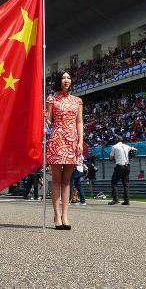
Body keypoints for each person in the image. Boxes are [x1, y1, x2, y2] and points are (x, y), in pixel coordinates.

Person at [46, 70, 84, 230]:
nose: (66, 80)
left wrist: (80, 141)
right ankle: (56, 215)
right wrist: (43, 116)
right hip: (57, 139)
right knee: (56, 179)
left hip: (72, 141)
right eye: (63, 77)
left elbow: (80, 122)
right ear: (59, 80)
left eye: (68, 77)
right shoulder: (52, 98)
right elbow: (48, 121)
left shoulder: (77, 101)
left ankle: (65, 215)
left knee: (67, 180)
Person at [108, 136, 137, 205]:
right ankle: (126, 201)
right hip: (127, 166)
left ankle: (115, 200)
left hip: (119, 167)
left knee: (114, 182)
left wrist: (112, 158)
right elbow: (135, 150)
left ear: (116, 140)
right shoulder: (127, 146)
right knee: (126, 184)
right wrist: (130, 156)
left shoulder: (114, 147)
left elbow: (111, 158)